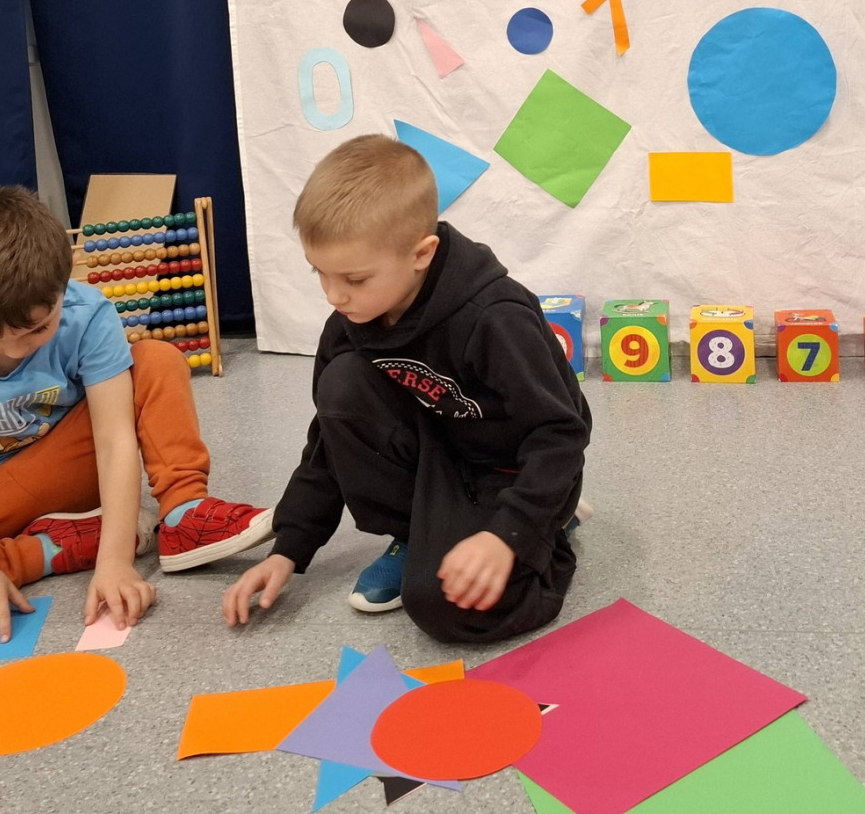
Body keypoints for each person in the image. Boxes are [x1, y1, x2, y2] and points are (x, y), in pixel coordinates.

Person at [0, 187, 272, 637]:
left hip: (74, 464)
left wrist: (115, 561)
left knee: (155, 360)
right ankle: (55, 547)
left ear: (63, 286)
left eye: (38, 329)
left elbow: (114, 441)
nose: (15, 350)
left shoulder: (88, 313)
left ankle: (182, 512)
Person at [222, 135, 591, 643]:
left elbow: (560, 435)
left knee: (446, 610)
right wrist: (289, 547)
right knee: (342, 386)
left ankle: (550, 530)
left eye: (354, 279)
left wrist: (510, 534)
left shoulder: (495, 318)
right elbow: (328, 439)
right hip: (440, 456)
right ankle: (415, 535)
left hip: (513, 472)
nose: (334, 295)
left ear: (422, 253)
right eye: (320, 274)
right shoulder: (351, 321)